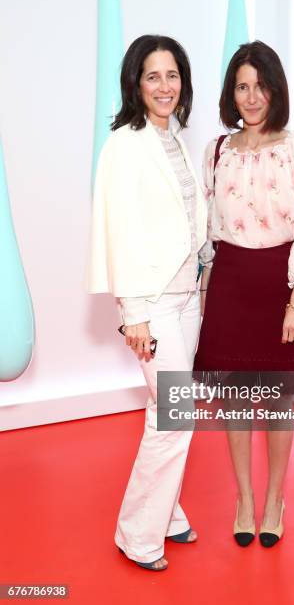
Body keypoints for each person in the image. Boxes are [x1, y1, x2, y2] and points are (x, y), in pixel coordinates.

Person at [194, 41, 294, 548]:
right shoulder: (218, 150)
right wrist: (206, 292)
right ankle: (244, 498)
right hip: (229, 281)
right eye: (242, 86)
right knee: (234, 401)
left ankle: (275, 498)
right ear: (232, 92)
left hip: (279, 282)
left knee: (274, 402)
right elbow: (208, 232)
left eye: (261, 85)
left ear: (276, 88)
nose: (252, 97)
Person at [87, 35, 209, 570]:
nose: (165, 86)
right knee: (174, 415)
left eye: (173, 75)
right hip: (153, 302)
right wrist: (131, 312)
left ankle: (168, 513)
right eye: (153, 76)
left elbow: (190, 224)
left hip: (188, 297)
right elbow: (118, 231)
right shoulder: (123, 144)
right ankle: (137, 533)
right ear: (136, 83)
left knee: (173, 410)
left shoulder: (178, 139)